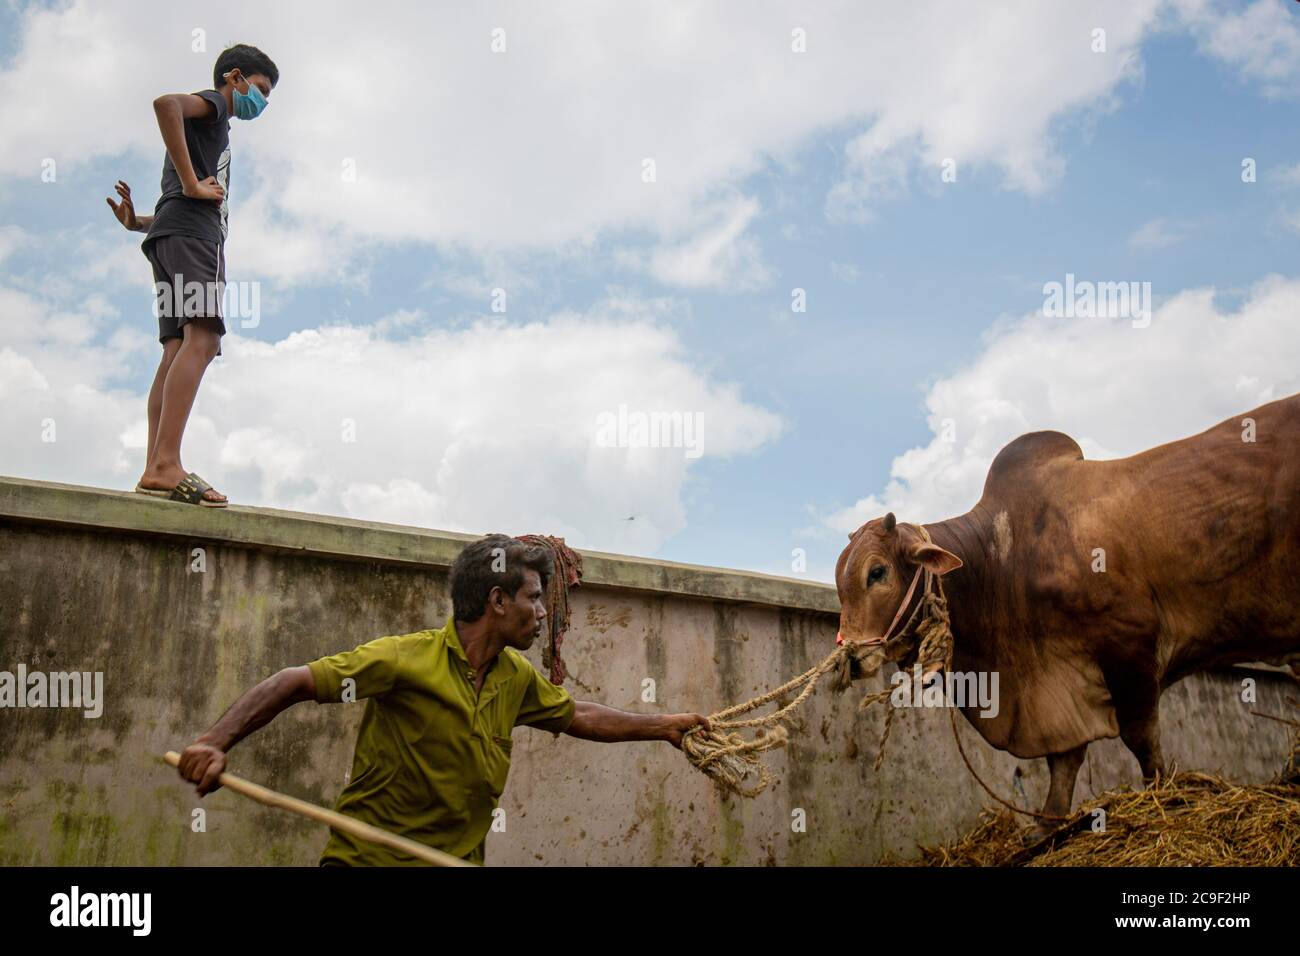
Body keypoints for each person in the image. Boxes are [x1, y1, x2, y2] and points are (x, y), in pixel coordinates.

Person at [176, 535, 711, 865]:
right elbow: (293, 681)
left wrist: (663, 726)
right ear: (498, 601)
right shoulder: (404, 660)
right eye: (532, 599)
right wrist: (214, 743)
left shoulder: (515, 678)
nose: (543, 613)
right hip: (368, 863)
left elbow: (579, 716)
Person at [108, 43, 279, 507]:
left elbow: (179, 201)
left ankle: (153, 468)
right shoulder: (214, 108)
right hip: (192, 238)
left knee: (177, 347)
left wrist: (140, 221)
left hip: (171, 233)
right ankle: (166, 462)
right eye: (260, 90)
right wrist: (189, 183)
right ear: (235, 77)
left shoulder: (212, 133)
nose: (261, 103)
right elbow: (166, 104)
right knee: (202, 338)